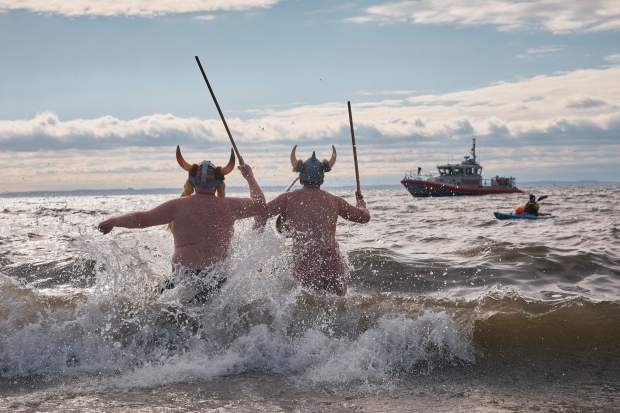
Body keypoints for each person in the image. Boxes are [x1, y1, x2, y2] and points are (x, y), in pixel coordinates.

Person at [97, 146, 265, 303]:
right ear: (219, 184)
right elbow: (260, 206)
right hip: (216, 278)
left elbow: (143, 219)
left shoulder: (178, 205)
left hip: (182, 277)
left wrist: (114, 221)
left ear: (191, 182)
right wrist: (249, 177)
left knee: (165, 313)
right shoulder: (230, 206)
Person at [259, 145, 370, 296]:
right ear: (322, 179)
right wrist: (361, 202)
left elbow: (261, 213)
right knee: (339, 306)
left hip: (305, 262)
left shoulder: (288, 198)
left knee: (306, 305)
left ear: (300, 179)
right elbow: (364, 217)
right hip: (332, 262)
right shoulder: (334, 201)